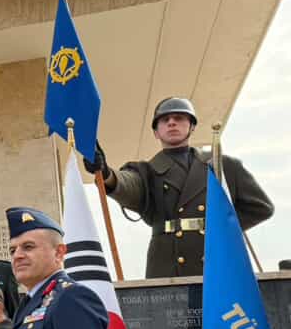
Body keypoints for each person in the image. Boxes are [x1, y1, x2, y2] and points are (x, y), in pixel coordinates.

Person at [88, 96, 273, 278]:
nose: (171, 123)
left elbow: (261, 207)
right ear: (156, 132)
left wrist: (222, 227)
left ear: (192, 126)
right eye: (165, 120)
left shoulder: (221, 165)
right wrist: (105, 174)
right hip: (168, 267)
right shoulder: (147, 171)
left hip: (216, 262)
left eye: (179, 118)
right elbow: (128, 184)